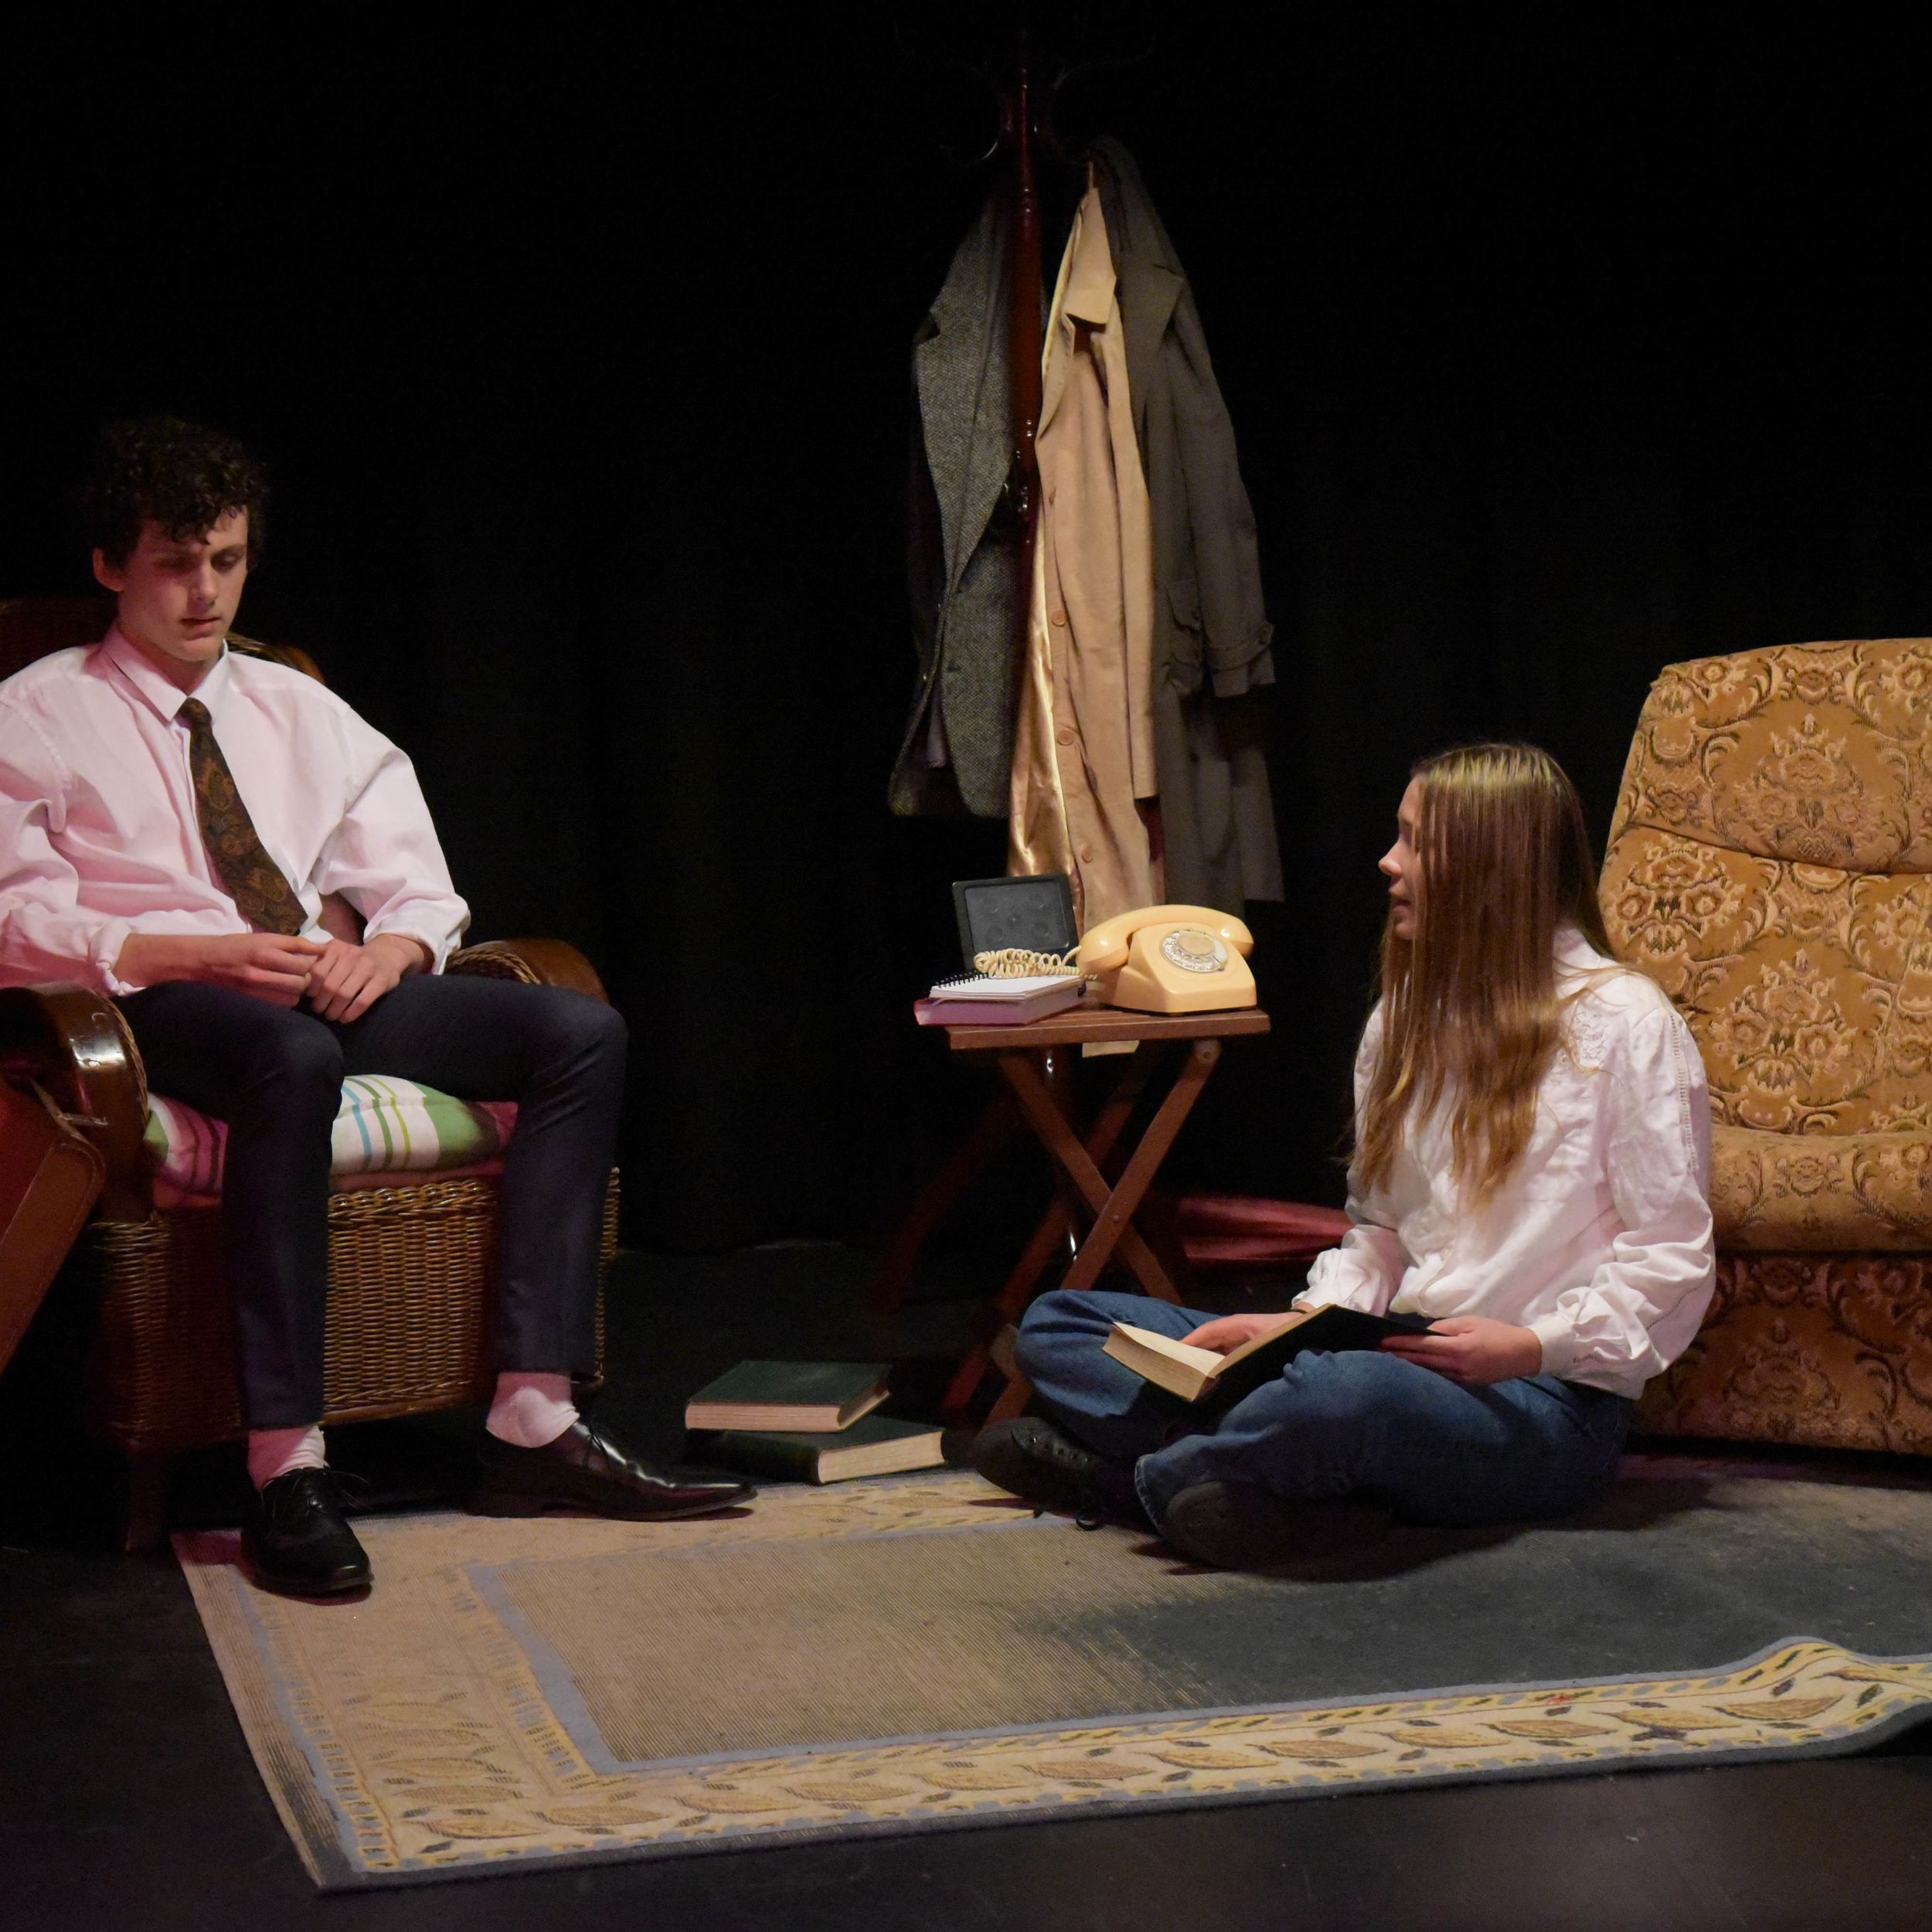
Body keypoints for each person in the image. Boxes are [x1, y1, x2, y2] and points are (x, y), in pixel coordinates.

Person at [0, 417, 750, 1596]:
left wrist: (393, 950)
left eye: (228, 561)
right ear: (110, 566)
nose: (206, 594)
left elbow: (416, 885)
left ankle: (533, 1418)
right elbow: (15, 920)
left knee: (578, 1035)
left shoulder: (297, 705)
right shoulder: (38, 712)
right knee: (290, 1059)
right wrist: (192, 951)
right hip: (158, 999)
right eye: (176, 564)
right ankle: (285, 1468)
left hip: (310, 983)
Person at [969, 743, 1716, 1569]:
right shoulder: (1406, 1016)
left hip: (1540, 1400)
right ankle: (1267, 1479)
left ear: (1490, 863)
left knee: (1346, 1397)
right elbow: (1380, 1232)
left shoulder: (1629, 1024)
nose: (1388, 862)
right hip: (1388, 1352)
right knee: (1061, 1324)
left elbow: (1671, 1259)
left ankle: (1128, 1484)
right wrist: (1294, 1328)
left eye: (1416, 842)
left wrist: (1529, 1347)